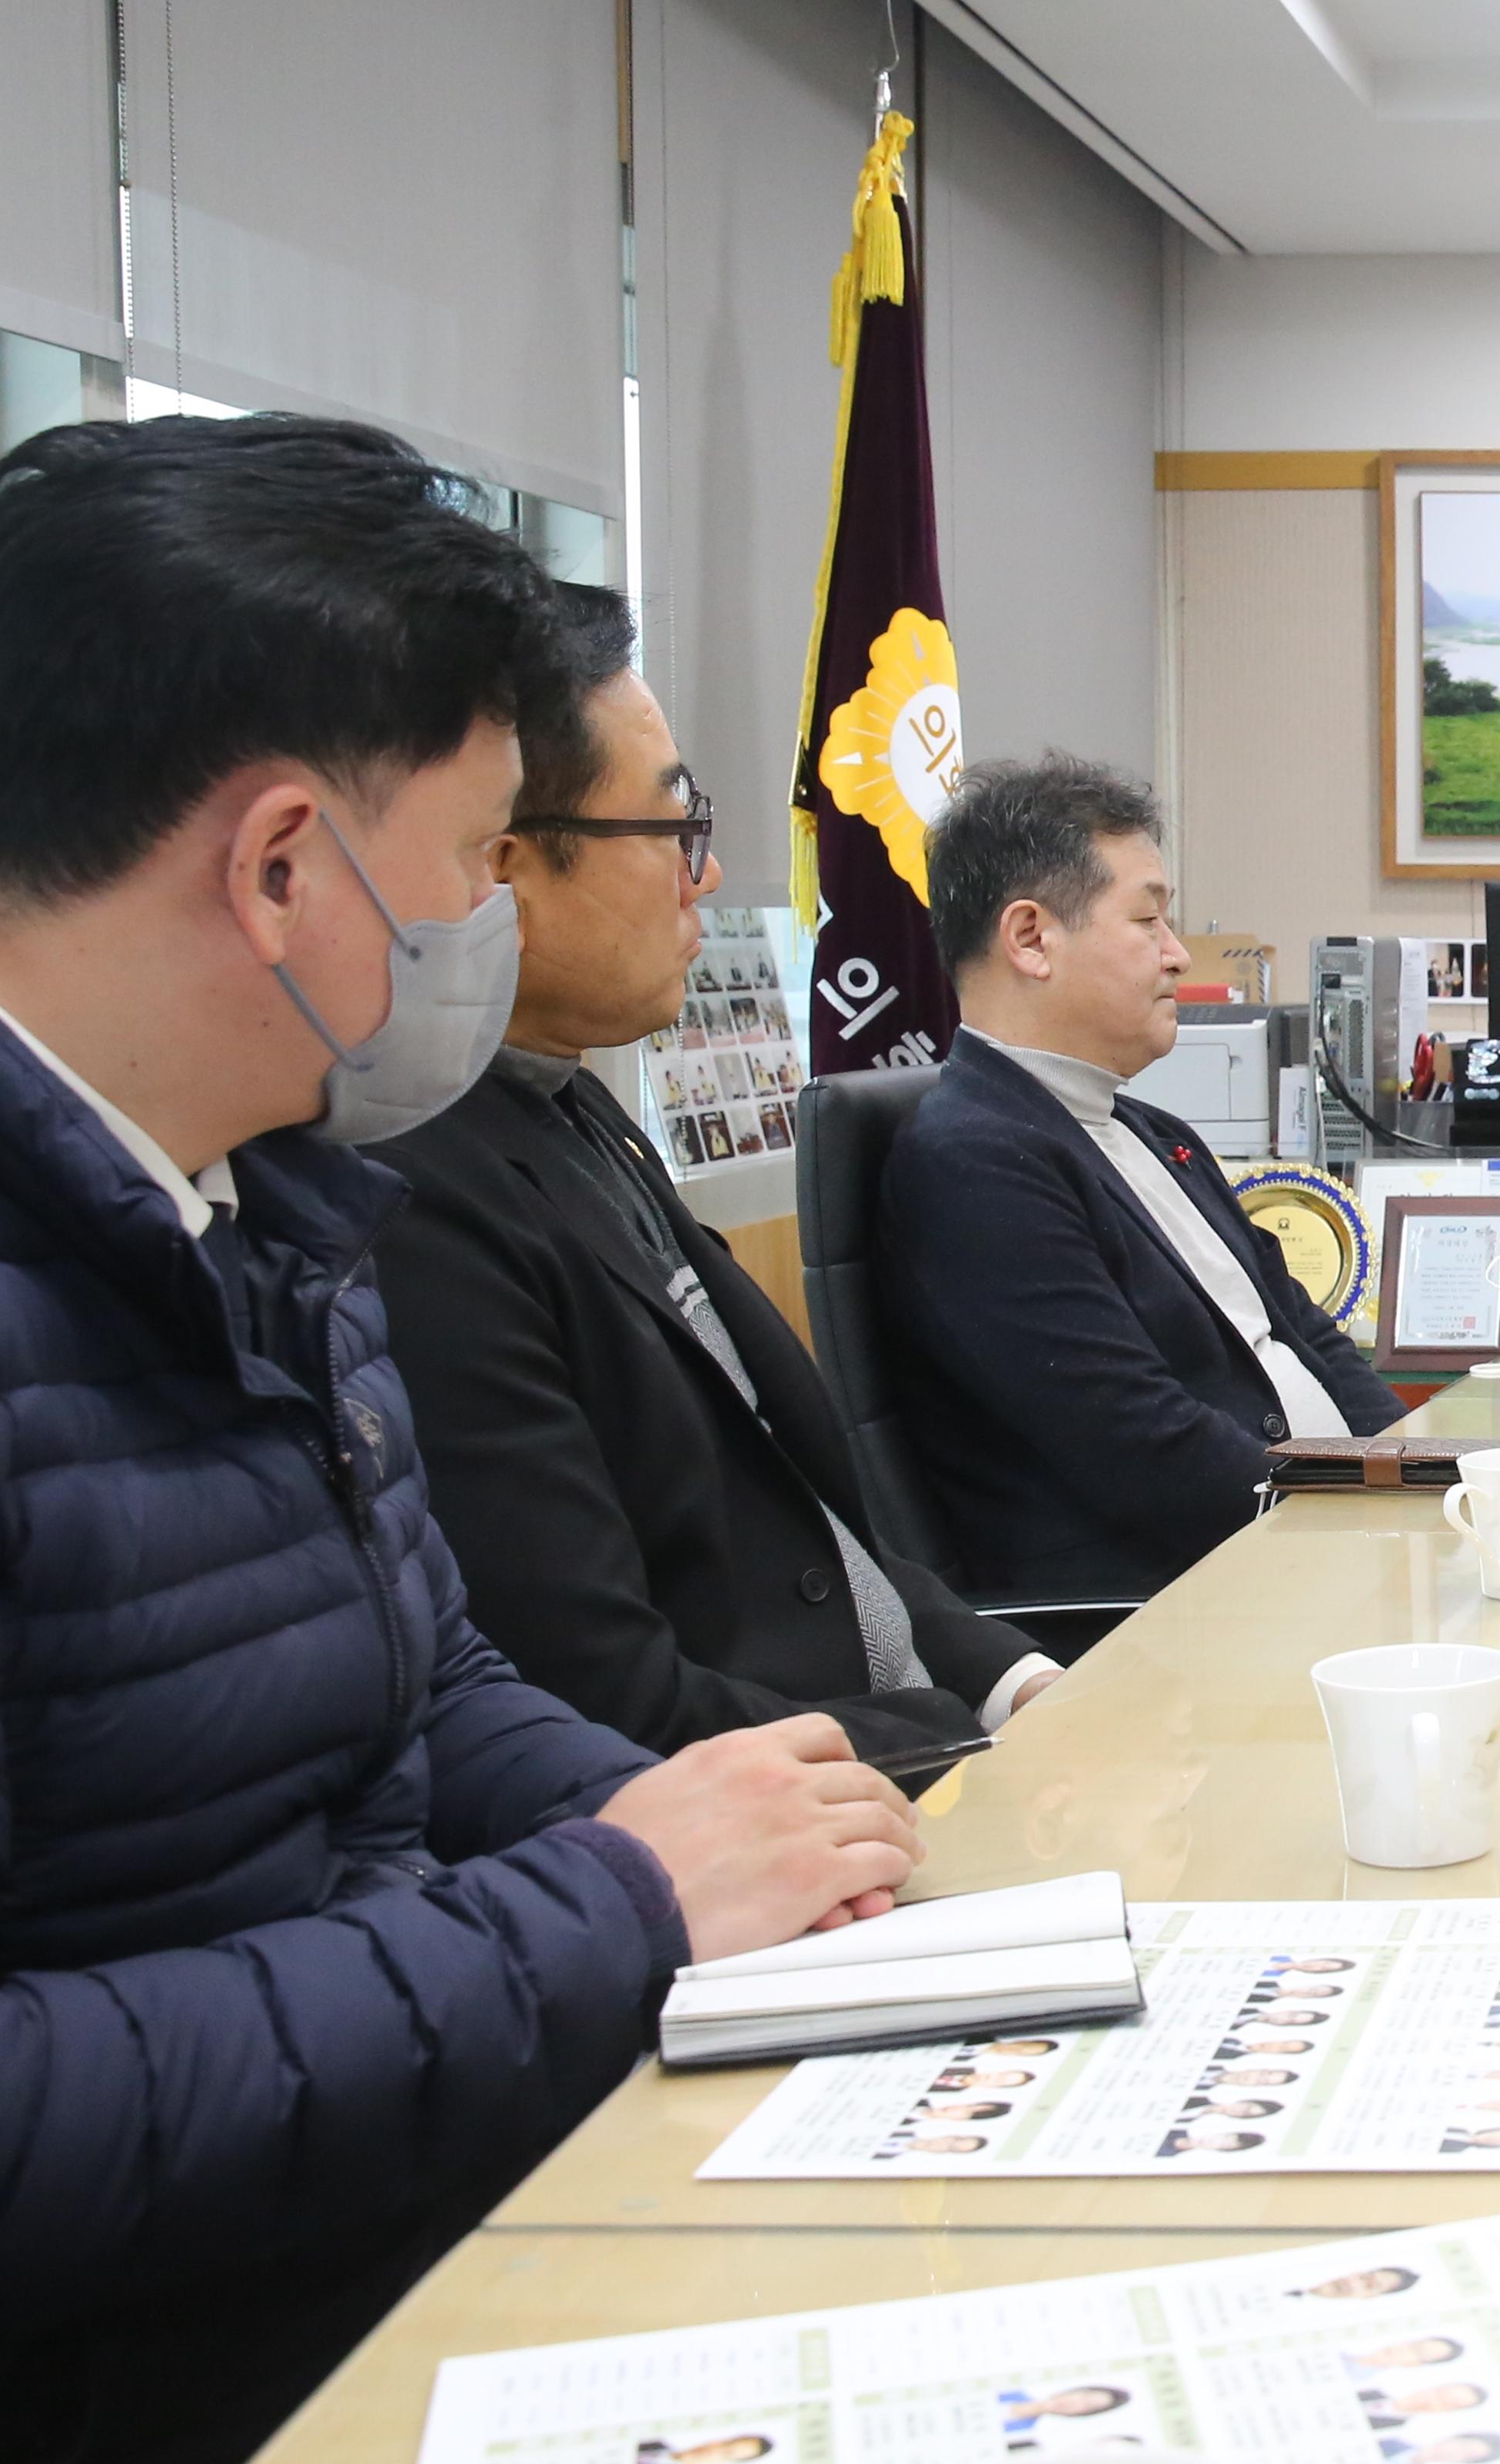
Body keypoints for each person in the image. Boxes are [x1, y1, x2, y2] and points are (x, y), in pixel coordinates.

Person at [0, 417, 921, 2464]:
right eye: (461, 860)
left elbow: (414, 1684)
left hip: (377, 2260)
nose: (477, 925)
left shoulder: (252, 1190)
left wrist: (742, 1825)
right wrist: (623, 1904)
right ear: (275, 869)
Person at [367, 605, 1054, 1764]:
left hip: (901, 1730)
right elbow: (605, 1694)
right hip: (779, 1809)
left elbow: (823, 1521)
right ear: (501, 859)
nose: (712, 874)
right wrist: (968, 1750)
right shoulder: (421, 1193)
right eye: (677, 826)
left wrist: (1020, 1689)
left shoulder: (574, 1107)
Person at [879, 754, 1399, 1597]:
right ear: (1030, 938)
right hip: (1189, 1603)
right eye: (1149, 922)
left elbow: (1310, 1337)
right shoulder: (975, 1161)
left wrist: (1423, 1478)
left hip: (1324, 1551)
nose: (1176, 954)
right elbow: (1143, 1447)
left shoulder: (1155, 1133)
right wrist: (1359, 1520)